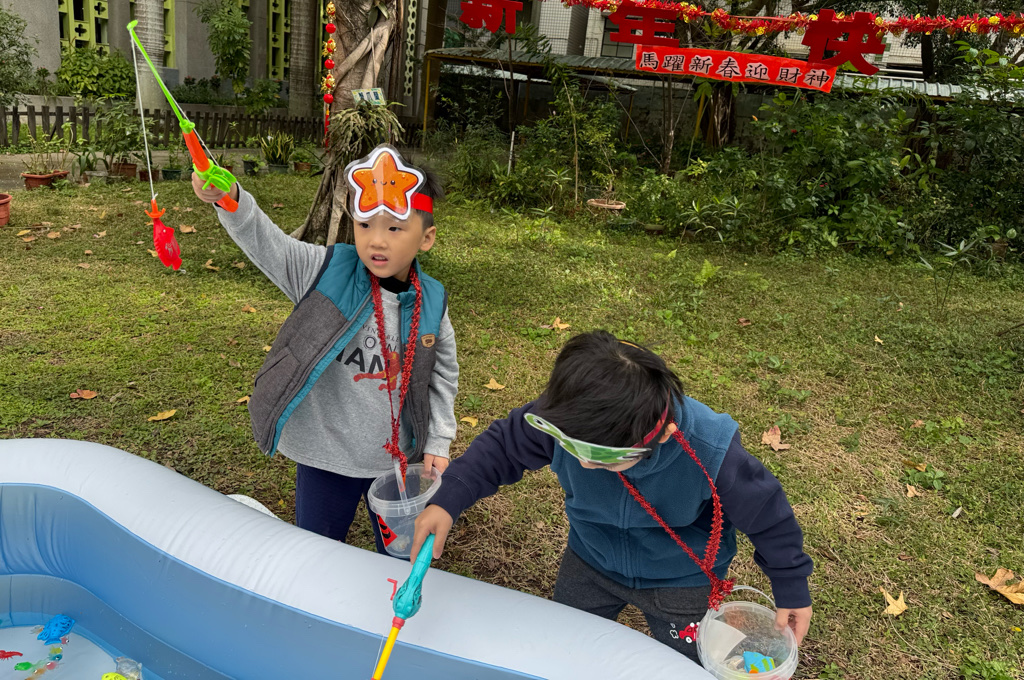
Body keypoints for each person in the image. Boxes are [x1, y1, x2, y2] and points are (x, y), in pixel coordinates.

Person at [412, 331, 811, 663]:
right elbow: (502, 447)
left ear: (661, 435)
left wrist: (791, 584)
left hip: (681, 579)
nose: (585, 464)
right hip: (590, 559)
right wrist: (448, 499)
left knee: (689, 661)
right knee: (566, 644)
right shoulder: (574, 415)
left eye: (604, 456)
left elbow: (767, 514)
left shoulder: (711, 450)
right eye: (572, 448)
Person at [193, 144, 459, 554]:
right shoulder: (324, 271)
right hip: (325, 458)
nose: (377, 240)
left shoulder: (433, 304)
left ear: (426, 238)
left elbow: (442, 375)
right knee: (316, 553)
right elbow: (271, 246)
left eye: (394, 229)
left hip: (397, 463)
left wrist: (438, 441)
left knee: (397, 557)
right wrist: (232, 201)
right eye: (365, 224)